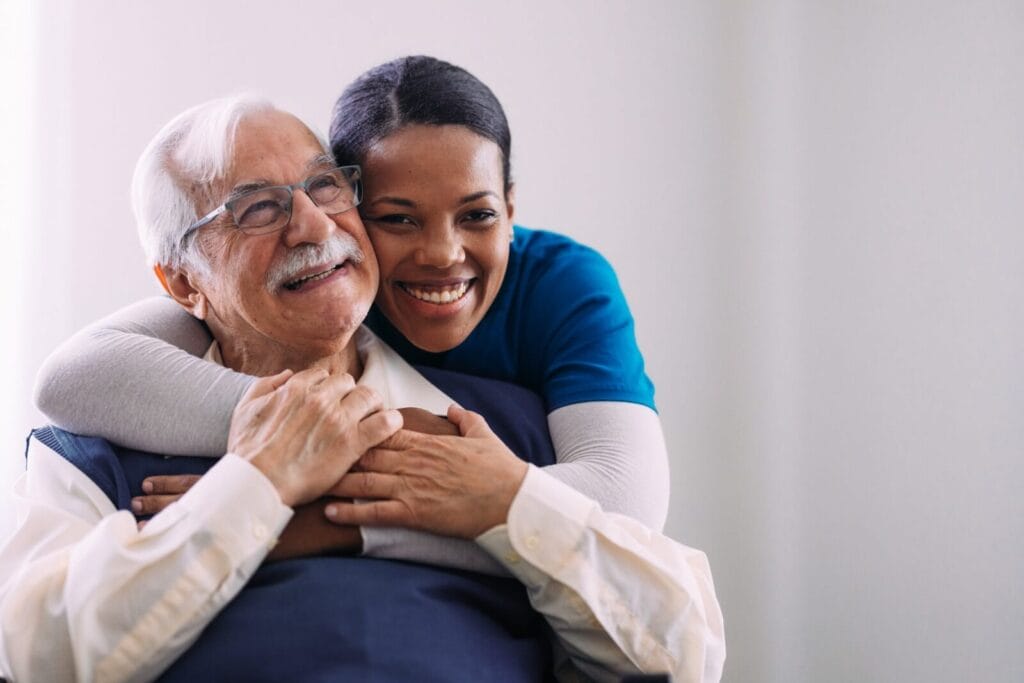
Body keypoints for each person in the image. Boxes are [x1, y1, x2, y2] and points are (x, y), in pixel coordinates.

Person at [0, 96, 724, 682]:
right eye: (257, 208)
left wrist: (507, 505)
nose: (313, 224)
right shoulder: (94, 452)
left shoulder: (501, 431)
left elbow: (683, 649)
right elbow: (41, 656)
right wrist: (254, 484)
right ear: (183, 282)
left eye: (324, 185)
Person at [33, 57, 671, 572]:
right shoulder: (321, 285)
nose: (442, 255)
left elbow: (624, 510)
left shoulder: (561, 284)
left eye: (477, 215)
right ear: (355, 208)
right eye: (397, 218)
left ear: (510, 205)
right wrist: (316, 431)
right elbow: (71, 380)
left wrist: (322, 522)